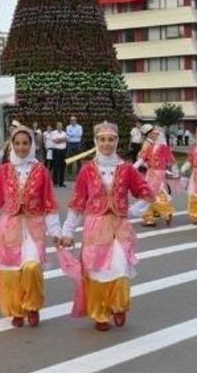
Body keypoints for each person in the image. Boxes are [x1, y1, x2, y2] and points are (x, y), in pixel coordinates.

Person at [61, 121, 153, 331]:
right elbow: (77, 203)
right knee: (98, 272)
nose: (106, 143)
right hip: (95, 227)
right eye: (102, 139)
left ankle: (118, 305)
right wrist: (67, 231)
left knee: (120, 268)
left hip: (120, 227)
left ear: (116, 141)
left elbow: (146, 192)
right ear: (96, 142)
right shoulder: (87, 170)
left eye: (111, 139)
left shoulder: (126, 169)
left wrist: (133, 210)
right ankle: (100, 313)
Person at [0, 125, 59, 327]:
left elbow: (49, 204)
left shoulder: (42, 171)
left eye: (25, 143)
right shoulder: (4, 171)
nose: (21, 147)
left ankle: (32, 305)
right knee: (9, 271)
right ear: (12, 145)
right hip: (9, 228)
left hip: (33, 228)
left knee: (32, 267)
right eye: (17, 143)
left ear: (32, 145)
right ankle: (16, 310)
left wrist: (56, 231)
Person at [134, 125, 177, 227]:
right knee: (155, 193)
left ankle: (159, 214)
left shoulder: (164, 148)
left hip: (157, 173)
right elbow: (142, 159)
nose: (154, 136)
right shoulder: (150, 147)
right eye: (153, 134)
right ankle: (155, 215)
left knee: (149, 194)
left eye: (157, 134)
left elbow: (172, 161)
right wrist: (132, 168)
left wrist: (174, 172)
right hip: (151, 172)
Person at [50, 122, 69, 187]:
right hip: (56, 151)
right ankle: (55, 183)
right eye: (58, 126)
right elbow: (55, 141)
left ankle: (61, 183)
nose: (60, 127)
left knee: (63, 167)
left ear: (62, 126)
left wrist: (59, 139)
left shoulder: (64, 133)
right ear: (56, 126)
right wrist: (63, 139)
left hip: (63, 151)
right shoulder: (53, 133)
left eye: (61, 126)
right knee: (56, 167)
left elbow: (67, 140)